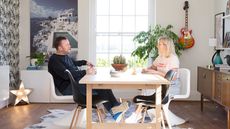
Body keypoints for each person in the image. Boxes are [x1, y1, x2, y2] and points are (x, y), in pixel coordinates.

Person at [48, 36, 129, 122]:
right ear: (60, 48)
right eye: (67, 44)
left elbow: (73, 63)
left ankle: (115, 109)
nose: (69, 46)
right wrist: (85, 72)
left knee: (102, 85)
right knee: (99, 87)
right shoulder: (54, 60)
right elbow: (66, 75)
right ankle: (115, 109)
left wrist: (85, 62)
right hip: (68, 88)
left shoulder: (65, 56)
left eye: (69, 44)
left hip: (75, 83)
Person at [125, 36, 180, 123]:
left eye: (161, 44)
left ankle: (138, 114)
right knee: (146, 89)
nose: (158, 46)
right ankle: (141, 113)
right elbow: (152, 67)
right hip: (160, 84)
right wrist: (146, 69)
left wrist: (156, 73)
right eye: (158, 44)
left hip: (171, 86)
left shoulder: (173, 58)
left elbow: (173, 77)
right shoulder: (160, 57)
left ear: (167, 46)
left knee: (147, 90)